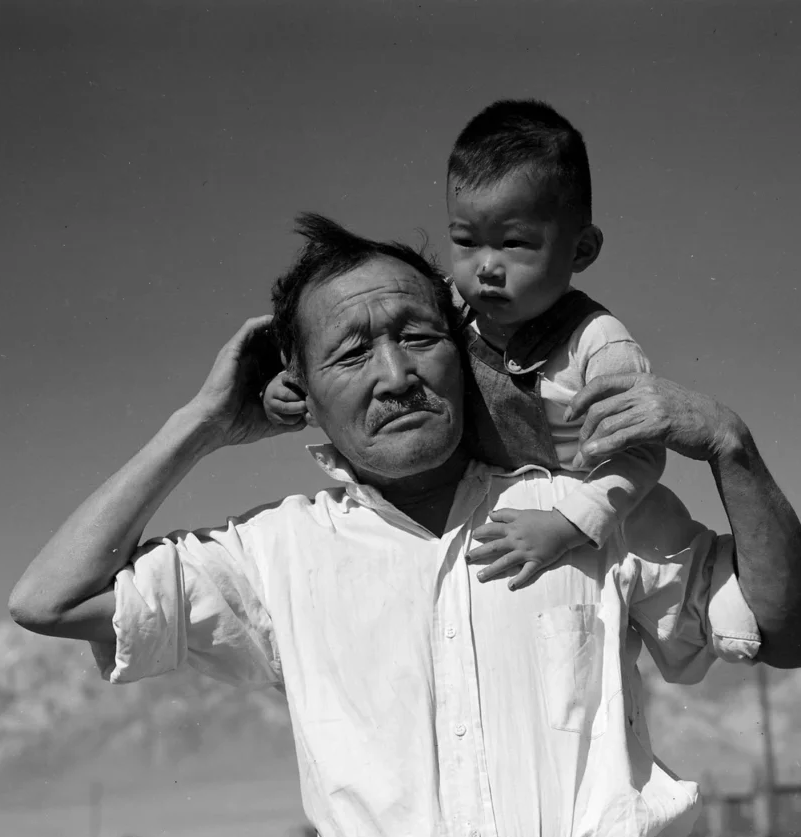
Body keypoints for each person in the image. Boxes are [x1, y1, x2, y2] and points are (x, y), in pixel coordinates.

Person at [9, 215, 801, 837]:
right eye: (352, 353)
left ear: (462, 355)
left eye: (417, 336)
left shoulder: (584, 506)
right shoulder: (275, 555)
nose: (395, 375)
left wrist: (731, 446)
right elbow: (47, 600)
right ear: (301, 390)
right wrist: (205, 421)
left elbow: (786, 633)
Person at [266, 100, 667, 592]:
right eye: (466, 241)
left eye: (514, 244)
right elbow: (354, 345)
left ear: (582, 250)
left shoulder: (599, 343)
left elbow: (641, 456)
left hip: (593, 512)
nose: (486, 267)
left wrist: (567, 525)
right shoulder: (449, 308)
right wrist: (288, 388)